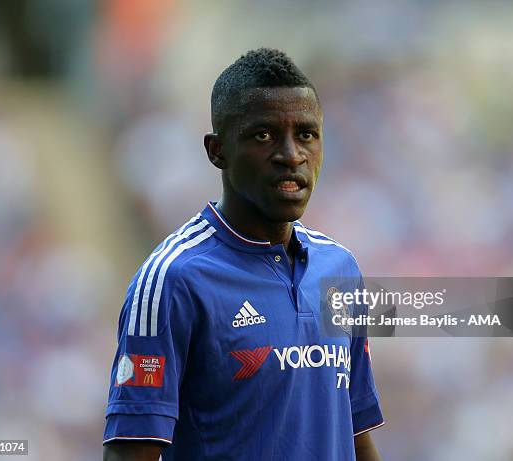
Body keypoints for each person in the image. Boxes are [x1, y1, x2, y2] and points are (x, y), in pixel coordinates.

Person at [103, 48, 384, 461]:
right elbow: (130, 455)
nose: (291, 155)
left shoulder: (340, 268)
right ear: (217, 150)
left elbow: (356, 436)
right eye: (263, 135)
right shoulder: (173, 280)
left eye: (306, 134)